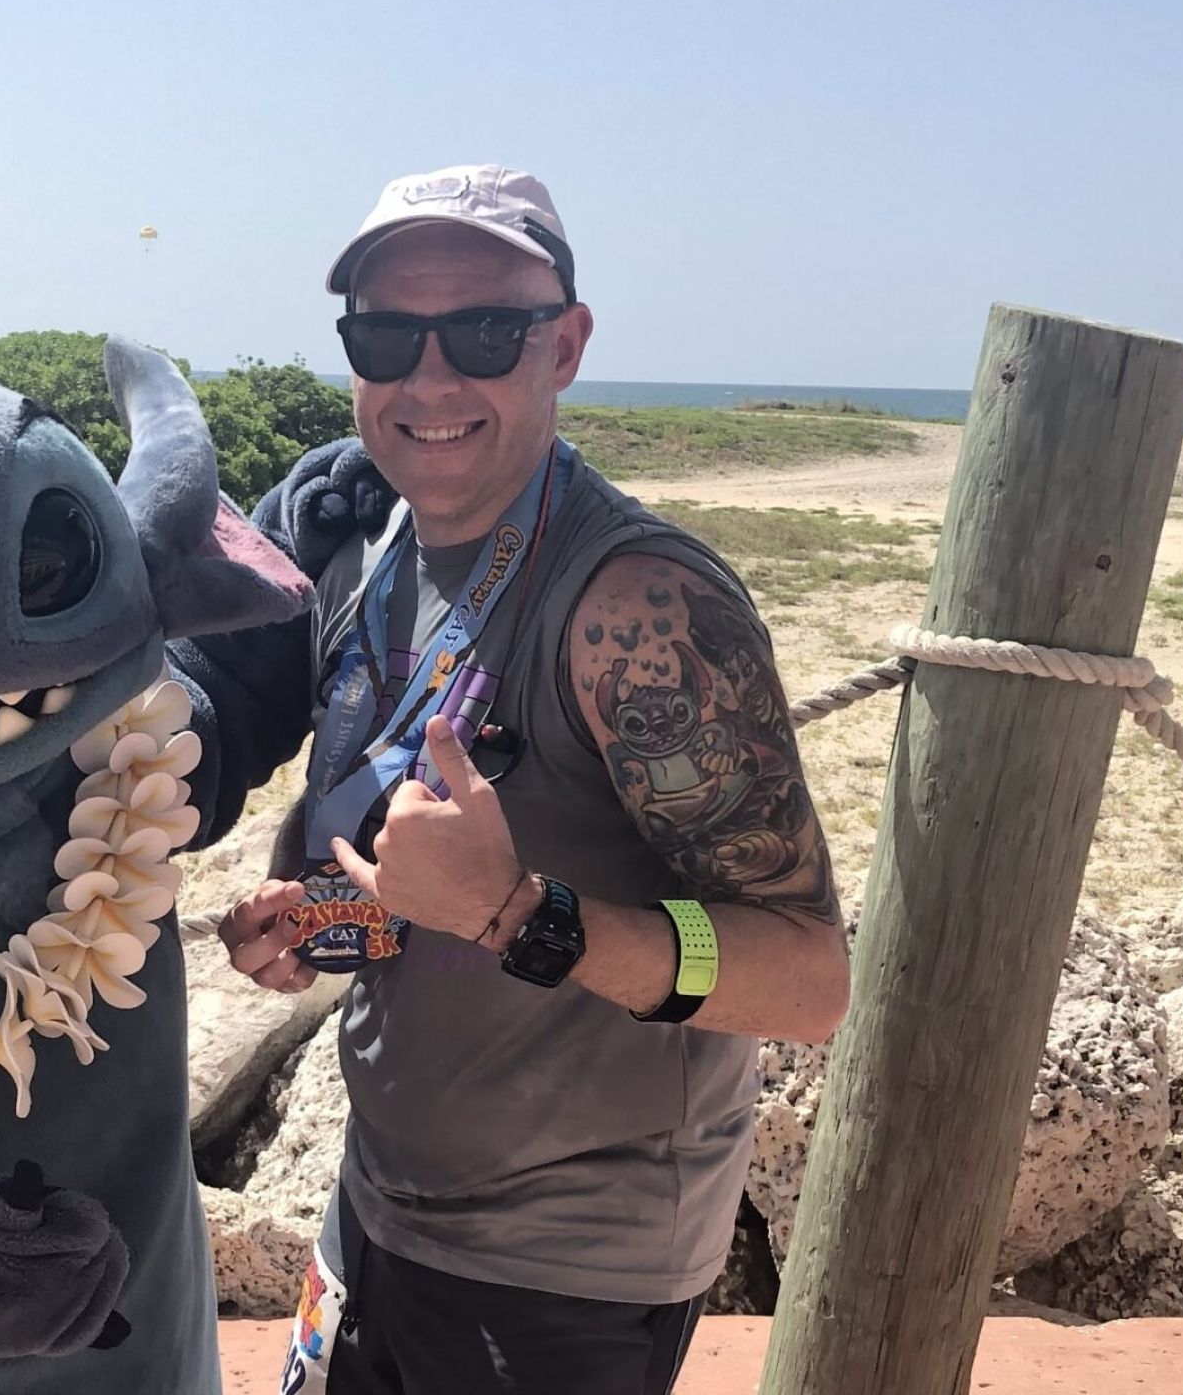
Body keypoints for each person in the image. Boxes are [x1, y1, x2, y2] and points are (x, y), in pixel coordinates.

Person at [180, 165, 850, 1395]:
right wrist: (316, 922)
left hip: (564, 1274)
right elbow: (411, 870)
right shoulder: (368, 545)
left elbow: (807, 978)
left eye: (486, 332)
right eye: (387, 336)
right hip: (377, 1206)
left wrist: (516, 913)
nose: (430, 379)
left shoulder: (637, 611)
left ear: (566, 346)